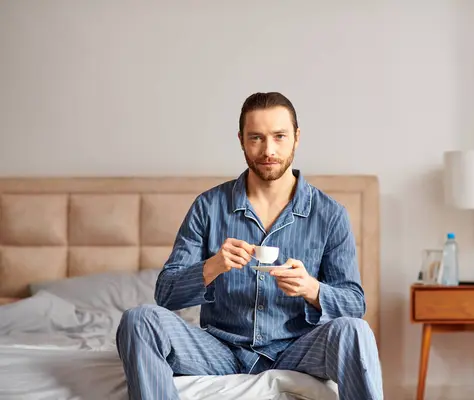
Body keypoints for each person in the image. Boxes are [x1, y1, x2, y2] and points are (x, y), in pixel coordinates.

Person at [116, 92, 384, 400]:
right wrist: (213, 265)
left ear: (296, 138)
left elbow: (354, 304)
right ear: (241, 139)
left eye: (279, 137)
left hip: (297, 350)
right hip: (220, 351)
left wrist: (311, 288)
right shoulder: (208, 206)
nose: (268, 150)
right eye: (256, 138)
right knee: (139, 320)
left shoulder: (331, 214)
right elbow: (165, 294)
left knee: (355, 331)